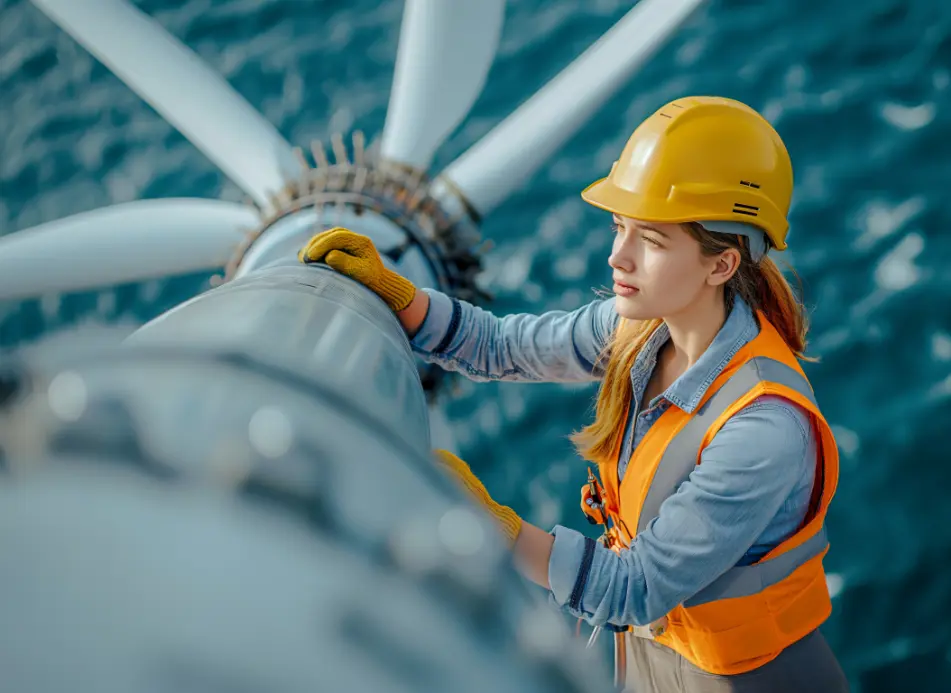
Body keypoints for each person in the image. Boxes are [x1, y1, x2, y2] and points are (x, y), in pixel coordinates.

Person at [298, 96, 849, 692]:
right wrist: (402, 300)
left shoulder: (763, 428)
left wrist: (492, 528)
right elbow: (504, 347)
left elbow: (633, 588)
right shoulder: (638, 329)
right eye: (619, 228)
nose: (618, 257)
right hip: (649, 653)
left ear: (721, 265)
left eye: (652, 241)